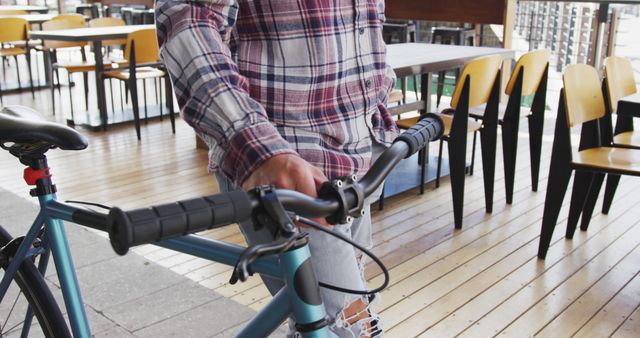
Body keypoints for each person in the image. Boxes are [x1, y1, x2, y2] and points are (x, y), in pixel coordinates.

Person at [156, 1, 398, 336]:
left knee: (337, 319)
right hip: (286, 169)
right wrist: (254, 146)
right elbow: (189, 20)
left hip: (359, 161)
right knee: (348, 330)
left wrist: (378, 105)